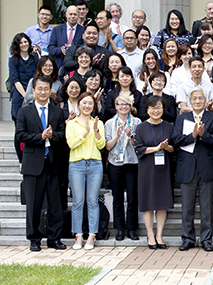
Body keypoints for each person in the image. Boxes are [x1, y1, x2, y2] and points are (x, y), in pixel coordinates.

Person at [15, 76, 67, 252]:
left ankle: (55, 238)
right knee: (34, 204)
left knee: (55, 204)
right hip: (33, 163)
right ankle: (34, 239)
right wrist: (40, 137)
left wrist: (52, 136)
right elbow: (20, 136)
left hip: (53, 164)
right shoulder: (24, 112)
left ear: (50, 90)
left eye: (46, 89)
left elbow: (63, 135)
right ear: (34, 91)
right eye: (40, 89)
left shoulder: (57, 112)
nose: (43, 92)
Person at [172, 88, 213, 252]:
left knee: (207, 207)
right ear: (190, 101)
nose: (198, 101)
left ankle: (207, 240)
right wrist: (192, 136)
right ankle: (188, 239)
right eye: (195, 99)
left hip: (206, 167)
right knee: (187, 207)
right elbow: (176, 139)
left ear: (206, 101)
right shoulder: (182, 118)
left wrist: (203, 134)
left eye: (201, 98)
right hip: (187, 167)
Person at [133, 95, 175, 249]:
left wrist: (165, 147)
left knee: (162, 204)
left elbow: (174, 149)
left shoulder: (169, 126)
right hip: (147, 168)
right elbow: (139, 148)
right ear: (147, 110)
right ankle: (150, 235)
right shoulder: (141, 127)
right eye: (153, 108)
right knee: (148, 203)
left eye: (159, 108)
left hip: (164, 168)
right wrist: (156, 148)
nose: (156, 111)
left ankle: (159, 235)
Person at [65, 93, 106, 251]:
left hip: (95, 164)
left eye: (90, 103)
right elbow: (71, 144)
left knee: (93, 201)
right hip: (77, 164)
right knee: (77, 201)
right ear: (79, 105)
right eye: (84, 103)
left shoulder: (98, 123)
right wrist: (84, 133)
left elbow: (101, 145)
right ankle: (78, 235)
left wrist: (95, 130)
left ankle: (91, 235)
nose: (87, 106)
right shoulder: (72, 123)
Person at [104, 94, 141, 241]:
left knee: (132, 197)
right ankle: (120, 229)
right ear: (116, 106)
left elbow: (139, 145)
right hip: (115, 162)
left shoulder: (137, 122)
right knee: (117, 197)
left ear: (130, 106)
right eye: (120, 104)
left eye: (126, 104)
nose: (123, 107)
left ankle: (131, 228)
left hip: (132, 162)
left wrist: (130, 136)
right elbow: (107, 146)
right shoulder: (109, 123)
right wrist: (117, 136)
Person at [9, 33, 37, 121]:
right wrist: (26, 96)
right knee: (18, 119)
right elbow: (15, 80)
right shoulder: (13, 60)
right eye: (21, 43)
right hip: (19, 93)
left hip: (33, 92)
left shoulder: (35, 58)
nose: (24, 44)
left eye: (25, 41)